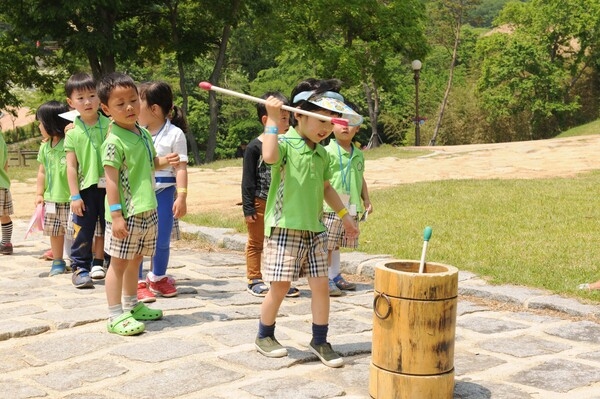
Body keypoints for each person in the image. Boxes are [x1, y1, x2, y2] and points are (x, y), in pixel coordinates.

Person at [255, 78, 361, 368]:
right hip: (285, 228)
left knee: (321, 287)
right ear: (298, 114)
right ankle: (264, 335)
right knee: (279, 287)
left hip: (315, 230)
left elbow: (327, 188)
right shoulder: (285, 143)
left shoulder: (322, 152)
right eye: (319, 119)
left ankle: (320, 339)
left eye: (330, 120)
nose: (326, 128)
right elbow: (269, 155)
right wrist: (274, 119)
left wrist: (345, 216)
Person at [98, 72, 180, 336]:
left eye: (133, 100)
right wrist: (116, 215)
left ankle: (132, 306)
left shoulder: (143, 134)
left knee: (136, 261)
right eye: (120, 104)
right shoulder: (113, 142)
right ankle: (114, 315)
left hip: (149, 209)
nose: (129, 107)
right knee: (119, 263)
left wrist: (168, 160)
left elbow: (151, 163)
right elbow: (110, 181)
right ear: (106, 109)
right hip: (126, 214)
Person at [241, 91, 299, 298]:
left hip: (282, 202)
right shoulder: (254, 147)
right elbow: (248, 180)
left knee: (280, 242)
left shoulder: (289, 144)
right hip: (260, 201)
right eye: (282, 117)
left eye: (288, 116)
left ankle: (279, 280)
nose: (288, 121)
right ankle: (254, 278)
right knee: (256, 242)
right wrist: (248, 207)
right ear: (266, 119)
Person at [136, 81, 188, 303]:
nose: (132, 109)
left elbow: (181, 168)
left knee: (162, 238)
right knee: (137, 237)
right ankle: (136, 281)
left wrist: (183, 196)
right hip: (139, 194)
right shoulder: (135, 132)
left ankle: (157, 277)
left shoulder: (175, 135)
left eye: (137, 103)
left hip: (165, 192)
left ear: (154, 109)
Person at [64, 72, 110, 288]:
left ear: (100, 97)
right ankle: (80, 267)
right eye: (80, 98)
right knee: (83, 229)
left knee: (111, 226)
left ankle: (105, 263)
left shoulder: (111, 125)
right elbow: (71, 166)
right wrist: (75, 195)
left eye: (92, 95)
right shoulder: (72, 132)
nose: (87, 102)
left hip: (112, 187)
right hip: (85, 190)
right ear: (70, 103)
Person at [323, 101, 372, 296]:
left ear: (358, 127)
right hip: (330, 208)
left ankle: (335, 275)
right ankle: (324, 278)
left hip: (351, 206)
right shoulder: (326, 152)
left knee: (336, 244)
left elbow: (360, 178)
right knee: (326, 244)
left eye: (350, 122)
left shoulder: (359, 154)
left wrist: (366, 199)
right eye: (340, 121)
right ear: (331, 125)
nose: (345, 126)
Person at [34, 100, 72, 276]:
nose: (39, 127)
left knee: (75, 231)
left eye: (40, 123)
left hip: (70, 198)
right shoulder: (44, 147)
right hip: (51, 199)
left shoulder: (69, 143)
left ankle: (79, 260)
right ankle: (58, 261)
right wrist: (39, 193)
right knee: (55, 232)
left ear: (51, 122)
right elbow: (42, 172)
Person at [0, 130, 13, 255]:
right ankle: (6, 243)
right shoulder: (1, 139)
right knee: (4, 214)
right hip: (2, 181)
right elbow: (5, 163)